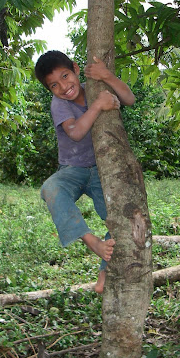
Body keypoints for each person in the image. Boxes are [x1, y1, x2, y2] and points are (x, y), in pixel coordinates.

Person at [34, 50, 135, 293]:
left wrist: (107, 76)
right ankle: (92, 241)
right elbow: (76, 132)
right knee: (51, 188)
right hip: (73, 169)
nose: (64, 86)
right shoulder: (59, 104)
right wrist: (99, 105)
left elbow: (129, 99)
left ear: (76, 69)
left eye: (66, 76)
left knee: (120, 213)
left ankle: (103, 272)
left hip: (102, 170)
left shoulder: (94, 86)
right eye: (54, 85)